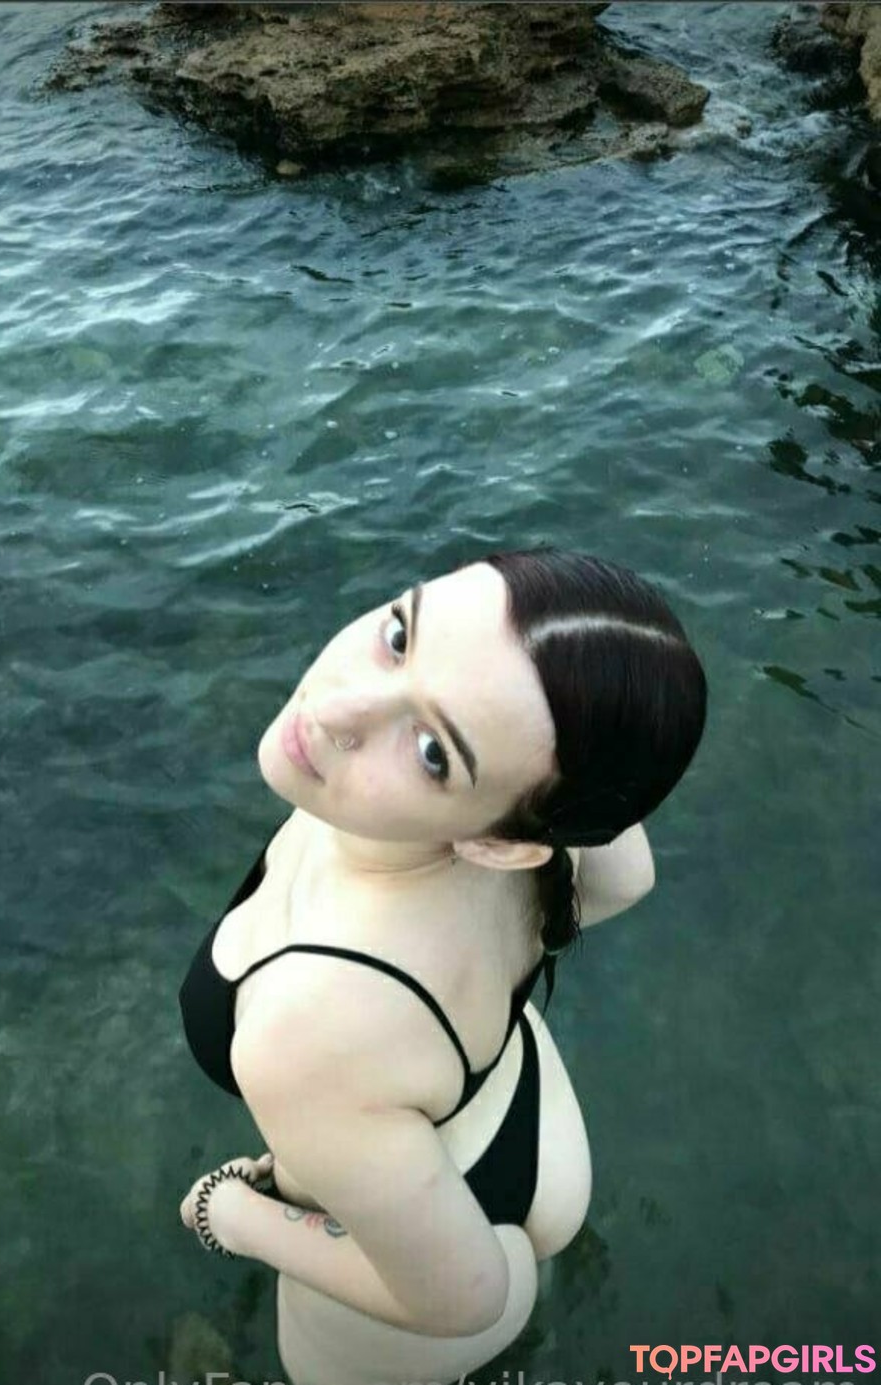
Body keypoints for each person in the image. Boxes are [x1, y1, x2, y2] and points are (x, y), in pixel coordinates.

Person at [178, 547, 707, 1385]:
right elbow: (627, 874)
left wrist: (232, 1213)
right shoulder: (537, 816)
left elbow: (463, 1299)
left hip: (434, 1288)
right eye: (400, 634)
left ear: (503, 844)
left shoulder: (303, 1028)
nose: (335, 707)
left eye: (433, 752)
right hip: (531, 1126)